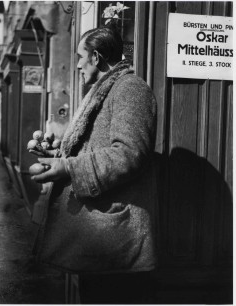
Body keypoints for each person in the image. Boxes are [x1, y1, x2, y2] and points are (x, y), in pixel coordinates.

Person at [29, 26, 157, 303]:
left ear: (96, 57)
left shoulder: (131, 89)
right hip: (98, 235)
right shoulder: (105, 89)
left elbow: (129, 154)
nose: (76, 64)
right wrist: (55, 152)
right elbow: (93, 147)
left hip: (112, 240)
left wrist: (69, 168)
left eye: (80, 56)